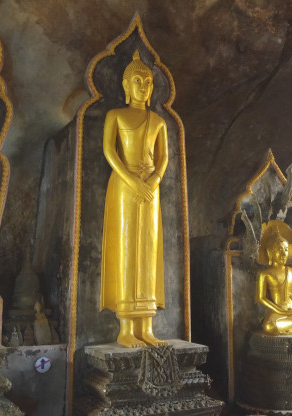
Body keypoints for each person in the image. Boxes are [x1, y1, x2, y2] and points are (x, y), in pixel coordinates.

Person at [100, 50, 168, 348]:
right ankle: (127, 327)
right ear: (126, 86)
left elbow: (163, 158)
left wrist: (153, 181)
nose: (143, 86)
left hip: (151, 189)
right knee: (127, 247)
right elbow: (109, 151)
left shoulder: (158, 121)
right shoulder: (115, 115)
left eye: (148, 82)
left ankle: (147, 326)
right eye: (137, 81)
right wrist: (131, 180)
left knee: (148, 249)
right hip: (125, 185)